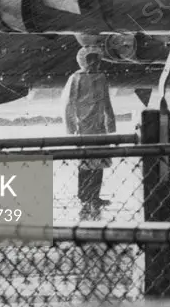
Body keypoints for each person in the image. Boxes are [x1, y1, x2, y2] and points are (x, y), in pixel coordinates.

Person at [62, 48, 116, 220]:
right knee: (85, 162)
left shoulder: (101, 77)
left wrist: (111, 122)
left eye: (96, 59)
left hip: (99, 126)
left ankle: (95, 196)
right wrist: (71, 127)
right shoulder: (76, 78)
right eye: (91, 59)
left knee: (99, 161)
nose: (95, 63)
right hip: (83, 126)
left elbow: (106, 100)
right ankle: (84, 196)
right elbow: (69, 104)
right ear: (84, 60)